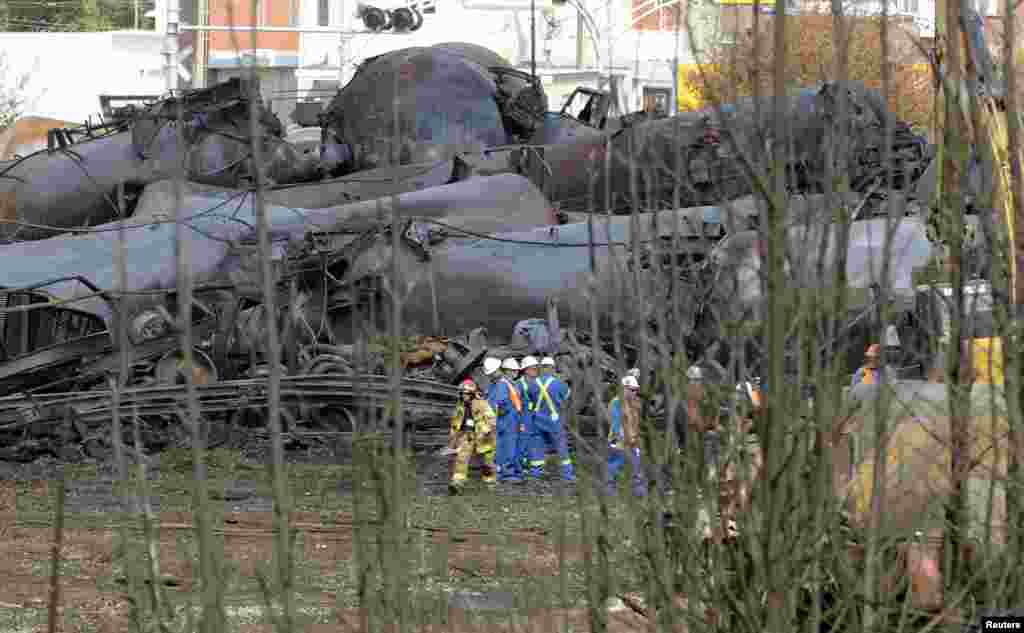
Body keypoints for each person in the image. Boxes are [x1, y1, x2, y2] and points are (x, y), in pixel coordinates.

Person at [446, 379, 497, 495]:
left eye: (467, 393)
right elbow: (456, 423)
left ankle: (490, 481)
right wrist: (452, 438)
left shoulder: (482, 403)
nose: (464, 396)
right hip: (467, 435)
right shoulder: (460, 405)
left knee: (486, 461)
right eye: (463, 393)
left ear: (472, 394)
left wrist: (486, 429)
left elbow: (492, 419)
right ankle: (457, 483)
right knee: (461, 458)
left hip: (483, 436)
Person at [528, 356, 574, 481]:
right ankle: (567, 475)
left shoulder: (532, 384)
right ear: (552, 368)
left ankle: (535, 474)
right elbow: (566, 397)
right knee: (561, 447)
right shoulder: (559, 384)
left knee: (537, 447)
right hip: (554, 421)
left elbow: (531, 399)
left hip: (537, 420)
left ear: (542, 368)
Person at [607, 375, 646, 496]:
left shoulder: (636, 403)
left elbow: (636, 421)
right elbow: (615, 422)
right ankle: (609, 488)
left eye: (636, 390)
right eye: (632, 390)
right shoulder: (616, 403)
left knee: (636, 463)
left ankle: (638, 490)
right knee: (615, 464)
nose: (635, 392)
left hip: (632, 439)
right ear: (624, 389)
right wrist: (623, 437)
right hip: (619, 439)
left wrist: (635, 436)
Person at [493, 357, 525, 483]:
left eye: (516, 370)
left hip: (512, 419)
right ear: (506, 371)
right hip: (507, 420)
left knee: (510, 446)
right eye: (513, 370)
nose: (516, 372)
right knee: (507, 446)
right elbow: (501, 403)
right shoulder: (502, 384)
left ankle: (506, 471)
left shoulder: (512, 384)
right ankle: (507, 473)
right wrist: (504, 416)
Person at [517, 356, 539, 474]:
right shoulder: (520, 384)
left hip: (534, 415)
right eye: (533, 369)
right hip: (523, 416)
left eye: (536, 368)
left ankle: (528, 464)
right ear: (526, 370)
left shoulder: (536, 382)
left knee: (532, 441)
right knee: (522, 441)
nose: (535, 371)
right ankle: (520, 466)